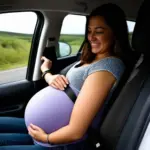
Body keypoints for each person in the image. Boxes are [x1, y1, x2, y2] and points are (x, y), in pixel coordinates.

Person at [0, 3, 131, 150]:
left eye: (99, 31)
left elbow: (76, 131)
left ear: (115, 33)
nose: (91, 37)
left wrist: (46, 138)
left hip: (59, 143)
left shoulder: (108, 67)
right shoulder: (91, 58)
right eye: (89, 31)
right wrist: (46, 73)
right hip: (43, 130)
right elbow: (64, 85)